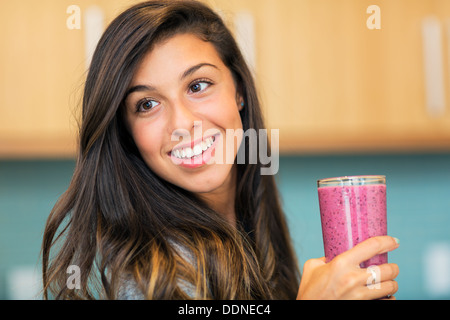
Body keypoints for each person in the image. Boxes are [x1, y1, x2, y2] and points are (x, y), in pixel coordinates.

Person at [41, 0, 399, 300]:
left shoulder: (249, 235)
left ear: (238, 90)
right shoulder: (152, 277)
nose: (181, 124)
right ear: (126, 133)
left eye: (198, 85)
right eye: (147, 104)